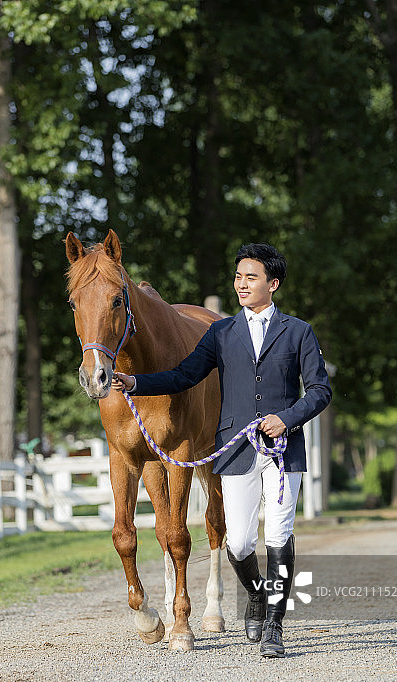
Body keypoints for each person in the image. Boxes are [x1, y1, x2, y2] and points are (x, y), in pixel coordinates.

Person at [112, 243, 332, 657]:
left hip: (283, 450)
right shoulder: (221, 332)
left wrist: (287, 418)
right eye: (238, 277)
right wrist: (136, 383)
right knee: (239, 544)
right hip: (236, 450)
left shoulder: (299, 332)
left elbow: (321, 390)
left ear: (273, 284)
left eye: (251, 277)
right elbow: (184, 375)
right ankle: (256, 593)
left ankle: (274, 626)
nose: (241, 284)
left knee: (279, 534)